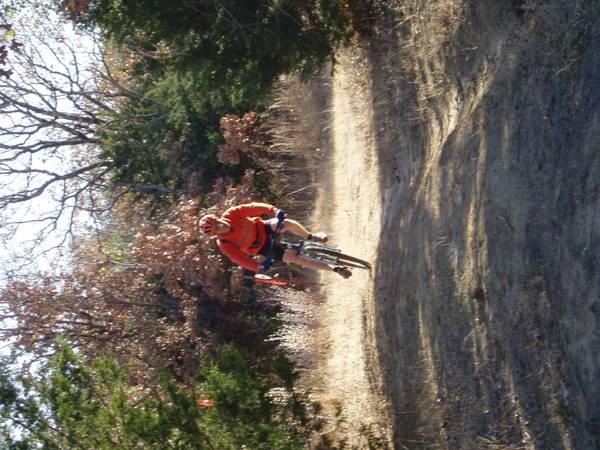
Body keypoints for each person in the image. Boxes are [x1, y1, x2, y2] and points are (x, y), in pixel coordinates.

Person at [199, 202, 352, 278]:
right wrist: (258, 268)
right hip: (263, 247)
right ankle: (336, 269)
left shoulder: (231, 214)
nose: (221, 226)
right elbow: (240, 259)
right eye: (216, 228)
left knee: (286, 223)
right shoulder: (224, 244)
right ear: (215, 234)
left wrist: (274, 211)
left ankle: (312, 236)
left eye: (218, 222)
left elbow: (252, 207)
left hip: (263, 227)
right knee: (294, 258)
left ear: (218, 218)